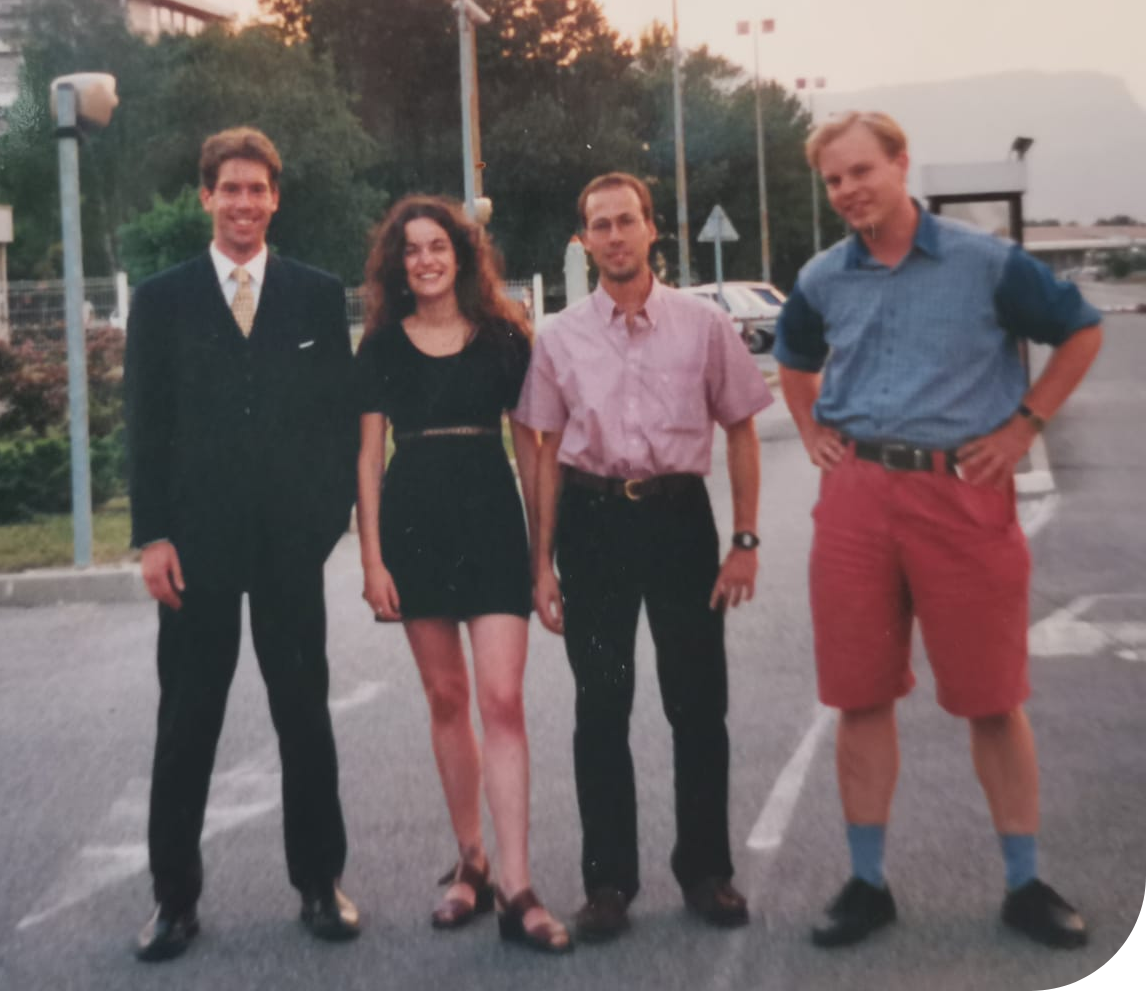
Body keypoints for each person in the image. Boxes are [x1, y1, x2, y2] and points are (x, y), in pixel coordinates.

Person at [774, 111, 1103, 951]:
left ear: (900, 165)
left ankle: (1026, 884)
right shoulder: (821, 276)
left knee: (992, 698)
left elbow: (1081, 328)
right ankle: (866, 882)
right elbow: (794, 357)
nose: (848, 190)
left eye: (860, 171)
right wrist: (812, 431)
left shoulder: (984, 262)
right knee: (859, 694)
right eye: (834, 180)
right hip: (855, 502)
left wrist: (1024, 425)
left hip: (960, 496)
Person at [514, 172, 774, 942]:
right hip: (592, 525)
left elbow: (742, 428)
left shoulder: (702, 325)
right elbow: (545, 448)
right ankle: (608, 885)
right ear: (584, 239)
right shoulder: (559, 337)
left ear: (652, 229)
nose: (616, 236)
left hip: (679, 522)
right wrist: (541, 565)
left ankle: (707, 872)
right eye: (601, 225)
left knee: (697, 704)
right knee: (602, 708)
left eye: (628, 221)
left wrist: (745, 541)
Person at [124, 127, 362, 961]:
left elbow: (340, 421)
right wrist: (151, 535)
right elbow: (146, 428)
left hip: (289, 551)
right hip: (196, 550)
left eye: (258, 190)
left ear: (276, 197)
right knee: (188, 723)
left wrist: (325, 520)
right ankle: (173, 902)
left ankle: (320, 886)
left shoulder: (314, 294)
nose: (244, 204)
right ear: (205, 196)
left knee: (304, 717)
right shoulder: (163, 299)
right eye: (230, 189)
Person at [355, 195, 572, 954]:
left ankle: (519, 884)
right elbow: (366, 459)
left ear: (461, 253)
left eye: (437, 245)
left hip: (490, 525)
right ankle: (470, 863)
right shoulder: (380, 346)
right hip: (414, 528)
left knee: (502, 699)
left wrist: (543, 562)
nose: (425, 259)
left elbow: (536, 454)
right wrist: (372, 560)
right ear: (397, 264)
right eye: (410, 250)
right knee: (447, 698)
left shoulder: (506, 340)